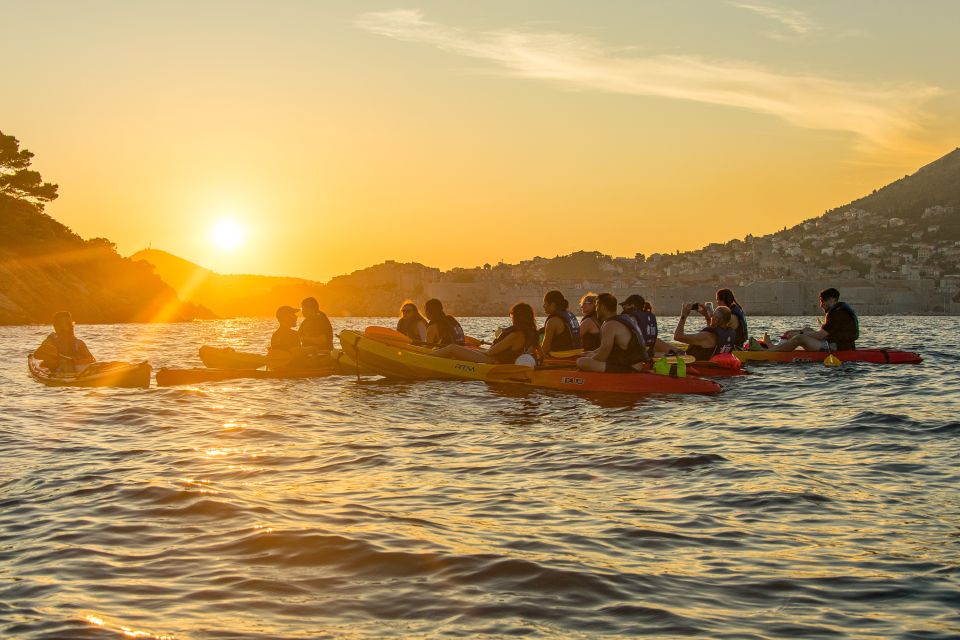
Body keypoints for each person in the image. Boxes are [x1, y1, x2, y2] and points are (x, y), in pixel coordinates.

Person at [432, 302, 538, 364]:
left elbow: (490, 352)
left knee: (453, 348)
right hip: (497, 358)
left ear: (517, 316)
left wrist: (471, 351)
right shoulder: (531, 332)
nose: (512, 318)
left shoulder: (516, 334)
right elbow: (539, 354)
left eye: (512, 315)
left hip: (492, 361)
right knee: (466, 348)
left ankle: (426, 358)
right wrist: (470, 349)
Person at [768, 288, 859, 352]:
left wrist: (798, 334)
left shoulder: (838, 313)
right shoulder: (838, 310)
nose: (821, 305)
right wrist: (797, 332)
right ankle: (777, 347)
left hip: (836, 347)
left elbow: (820, 335)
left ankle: (772, 351)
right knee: (807, 329)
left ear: (832, 300)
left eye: (823, 301)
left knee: (799, 338)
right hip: (834, 343)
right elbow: (826, 333)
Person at [576, 293, 650, 372]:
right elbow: (605, 347)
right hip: (635, 364)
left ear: (603, 307)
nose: (596, 309)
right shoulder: (624, 318)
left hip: (629, 368)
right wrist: (591, 353)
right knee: (587, 356)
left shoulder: (610, 325)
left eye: (597, 306)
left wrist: (589, 359)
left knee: (581, 362)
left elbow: (602, 357)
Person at [540, 290, 581, 356]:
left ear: (552, 304)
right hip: (577, 354)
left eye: (545, 303)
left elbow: (545, 348)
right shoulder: (570, 315)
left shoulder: (552, 321)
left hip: (562, 357)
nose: (543, 306)